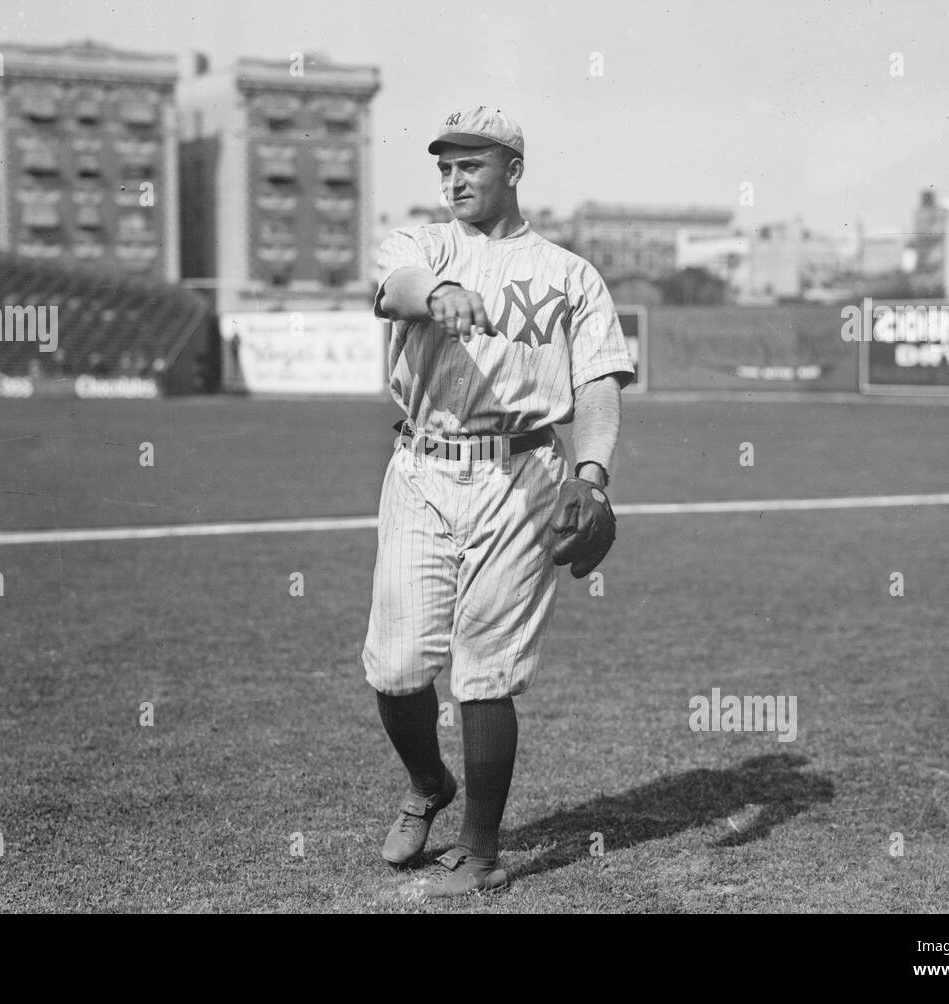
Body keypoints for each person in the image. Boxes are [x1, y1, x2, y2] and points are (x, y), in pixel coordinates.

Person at [364, 106, 634, 899]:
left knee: (486, 671)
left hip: (520, 477)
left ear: (513, 169)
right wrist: (437, 292)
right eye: (445, 166)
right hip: (420, 467)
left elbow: (598, 386)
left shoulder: (570, 273)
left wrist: (591, 476)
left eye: (471, 165)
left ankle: (481, 854)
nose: (454, 179)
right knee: (398, 665)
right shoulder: (426, 244)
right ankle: (427, 784)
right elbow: (392, 286)